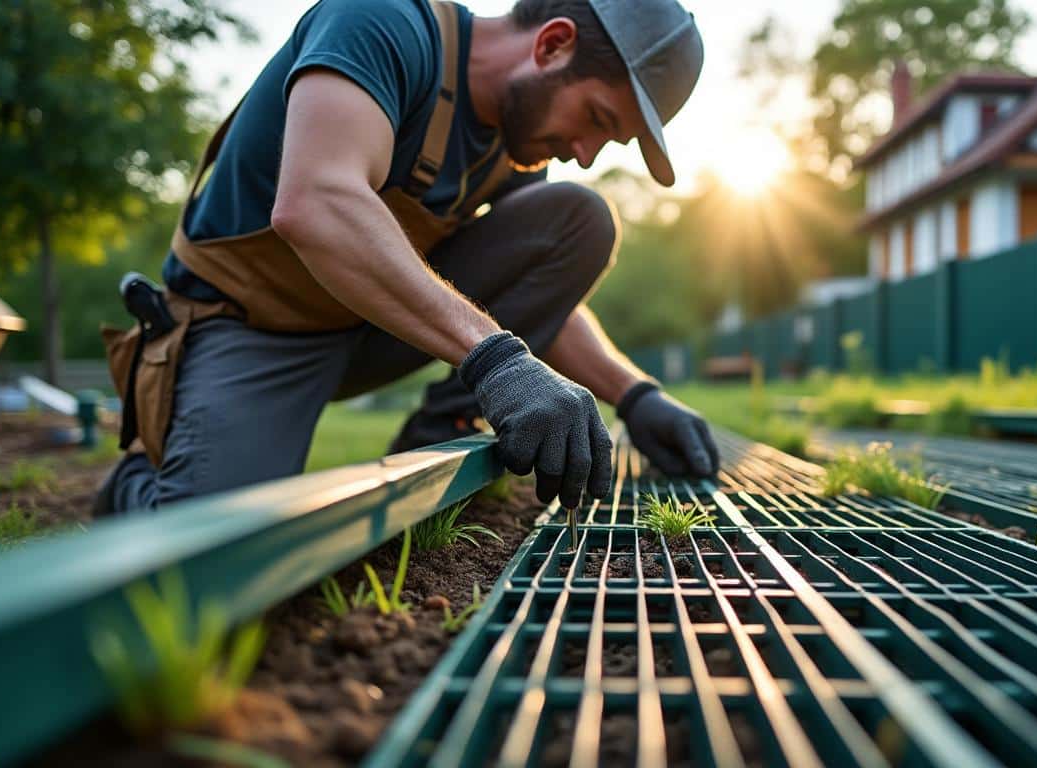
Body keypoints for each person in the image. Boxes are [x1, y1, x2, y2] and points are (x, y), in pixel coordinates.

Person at [95, 0, 719, 515]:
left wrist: (634, 394)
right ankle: (130, 489)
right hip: (247, 327)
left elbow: (534, 308)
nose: (586, 153)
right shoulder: (382, 23)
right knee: (211, 550)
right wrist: (497, 362)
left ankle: (440, 434)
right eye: (598, 119)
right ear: (552, 44)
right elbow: (315, 202)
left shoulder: (518, 146)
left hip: (369, 327)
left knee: (579, 220)